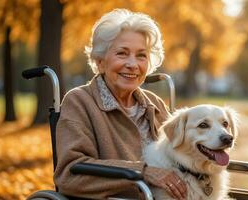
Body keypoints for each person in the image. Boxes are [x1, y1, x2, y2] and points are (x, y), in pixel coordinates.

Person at [54, 9, 187, 199]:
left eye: (141, 55)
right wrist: (142, 172)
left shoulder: (154, 104)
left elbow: (180, 158)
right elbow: (70, 174)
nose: (133, 64)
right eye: (122, 54)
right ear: (100, 62)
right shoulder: (80, 101)